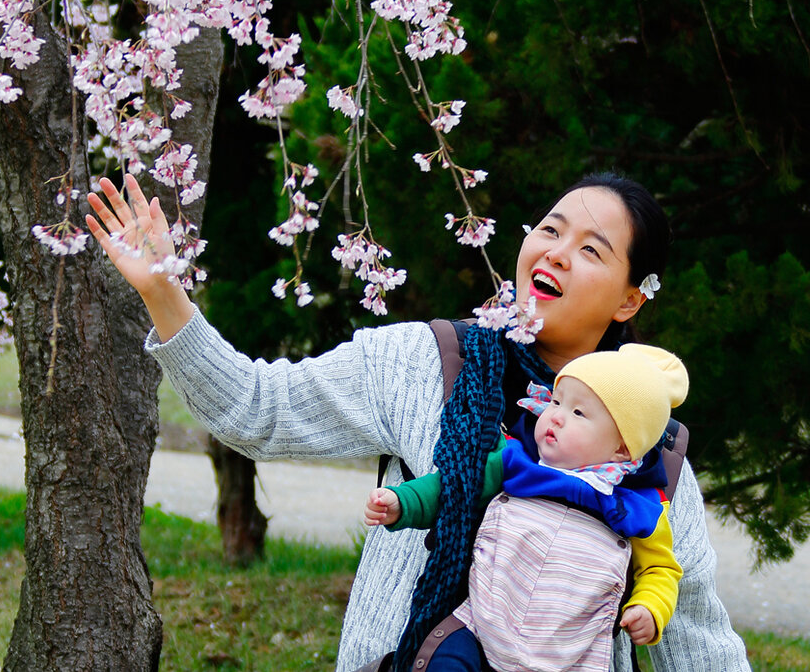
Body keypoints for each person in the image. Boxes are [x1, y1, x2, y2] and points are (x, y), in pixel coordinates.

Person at [85, 172, 749, 672]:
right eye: (549, 230)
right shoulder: (427, 363)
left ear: (631, 297)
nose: (555, 253)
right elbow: (257, 409)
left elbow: (693, 633)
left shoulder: (650, 447)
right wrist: (162, 292)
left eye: (592, 250)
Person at [364, 343, 688, 671]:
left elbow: (660, 569)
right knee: (445, 662)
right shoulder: (516, 461)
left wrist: (650, 607)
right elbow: (456, 485)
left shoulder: (639, 508)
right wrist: (404, 502)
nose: (557, 417)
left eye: (578, 413)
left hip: (571, 654)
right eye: (557, 401)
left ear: (621, 448)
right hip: (480, 623)